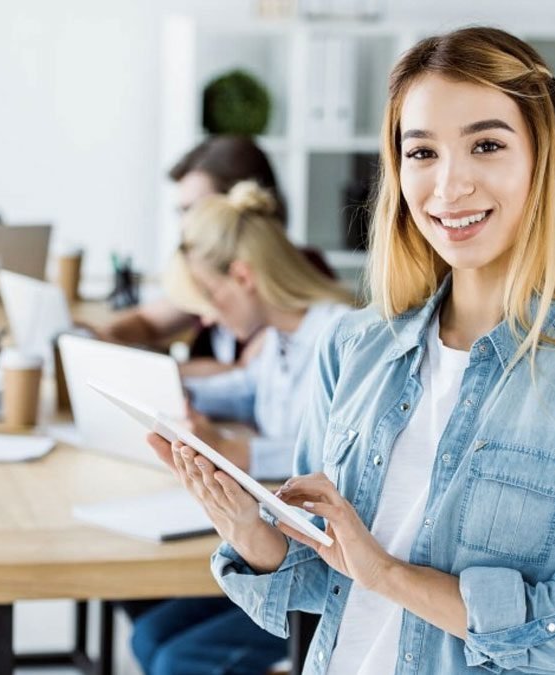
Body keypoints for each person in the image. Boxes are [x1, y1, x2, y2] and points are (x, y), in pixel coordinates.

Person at [149, 27, 555, 674]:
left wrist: (389, 573)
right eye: (422, 152)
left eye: (486, 145)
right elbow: (321, 573)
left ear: (544, 161)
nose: (448, 185)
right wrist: (250, 530)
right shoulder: (353, 346)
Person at [128, 181, 355, 675]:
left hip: (318, 560)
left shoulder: (341, 335)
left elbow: (329, 458)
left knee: (176, 658)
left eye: (211, 296)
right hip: (275, 534)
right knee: (149, 637)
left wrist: (243, 453)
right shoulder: (281, 338)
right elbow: (244, 388)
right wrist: (160, 384)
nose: (208, 315)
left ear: (243, 276)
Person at [99, 135, 331, 376]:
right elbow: (147, 321)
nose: (183, 225)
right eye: (181, 211)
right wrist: (103, 340)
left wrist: (151, 372)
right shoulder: (209, 273)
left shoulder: (290, 291)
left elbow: (246, 379)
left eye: (195, 209)